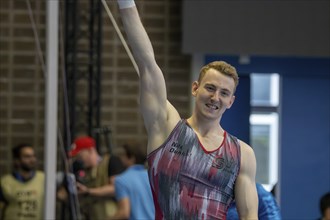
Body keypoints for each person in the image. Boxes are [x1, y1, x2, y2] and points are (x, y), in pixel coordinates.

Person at [116, 0, 258, 219]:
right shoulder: (167, 127)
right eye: (210, 88)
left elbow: (250, 215)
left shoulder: (243, 154)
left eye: (224, 93)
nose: (215, 97)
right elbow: (146, 63)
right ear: (195, 88)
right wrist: (125, 3)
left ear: (231, 101)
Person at [68, 136, 125, 220]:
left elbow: (116, 188)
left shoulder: (111, 162)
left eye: (80, 156)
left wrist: (88, 191)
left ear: (90, 150)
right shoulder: (84, 170)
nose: (79, 160)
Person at [110, 141, 154, 219]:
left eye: (123, 155)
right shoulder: (153, 176)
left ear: (132, 158)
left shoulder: (121, 180)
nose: (121, 158)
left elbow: (124, 213)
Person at [0, 144, 45, 220]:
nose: (32, 160)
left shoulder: (44, 179)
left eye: (33, 156)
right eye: (27, 157)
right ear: (17, 160)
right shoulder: (5, 182)